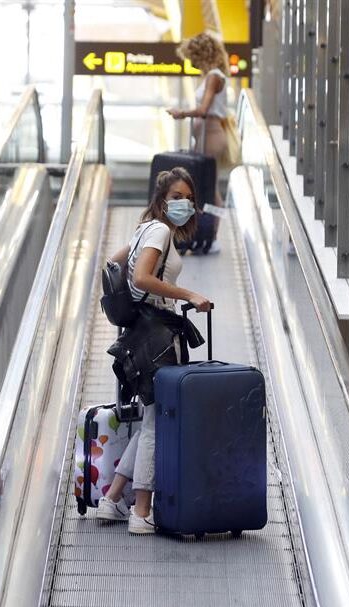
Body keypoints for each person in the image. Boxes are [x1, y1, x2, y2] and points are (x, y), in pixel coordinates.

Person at [96, 167, 211, 534]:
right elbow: (141, 277)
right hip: (155, 337)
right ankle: (141, 510)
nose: (184, 203)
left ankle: (112, 499)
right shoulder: (159, 230)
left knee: (154, 420)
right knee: (157, 425)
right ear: (162, 201)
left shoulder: (144, 229)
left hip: (140, 334)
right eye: (176, 197)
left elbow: (114, 264)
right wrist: (187, 294)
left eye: (189, 198)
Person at [166, 33, 240, 223]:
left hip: (211, 136)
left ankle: (213, 231)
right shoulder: (214, 76)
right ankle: (209, 229)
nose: (192, 63)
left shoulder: (213, 77)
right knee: (206, 185)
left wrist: (181, 113)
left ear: (202, 56)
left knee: (210, 187)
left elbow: (203, 109)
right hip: (207, 136)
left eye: (193, 58)